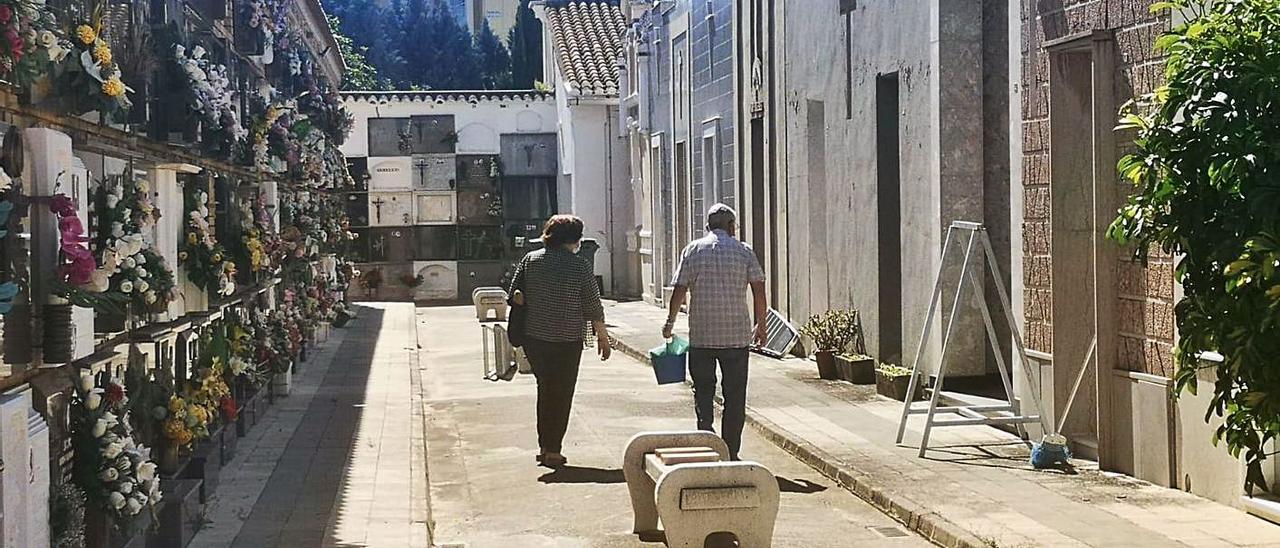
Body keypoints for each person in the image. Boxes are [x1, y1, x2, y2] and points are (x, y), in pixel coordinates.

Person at [663, 204, 767, 460]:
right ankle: (730, 451)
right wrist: (762, 324)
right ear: (732, 227)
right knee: (734, 396)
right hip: (736, 337)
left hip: (702, 337)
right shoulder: (744, 252)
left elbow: (679, 289)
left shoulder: (693, 250)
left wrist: (670, 322)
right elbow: (759, 289)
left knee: (703, 392)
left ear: (708, 226)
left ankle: (707, 443)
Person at [510, 215, 612, 468]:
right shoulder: (579, 266)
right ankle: (553, 448)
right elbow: (592, 304)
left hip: (535, 337)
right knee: (562, 392)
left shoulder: (530, 260)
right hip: (567, 339)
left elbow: (513, 293)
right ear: (575, 239)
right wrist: (603, 336)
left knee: (545, 389)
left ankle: (545, 445)